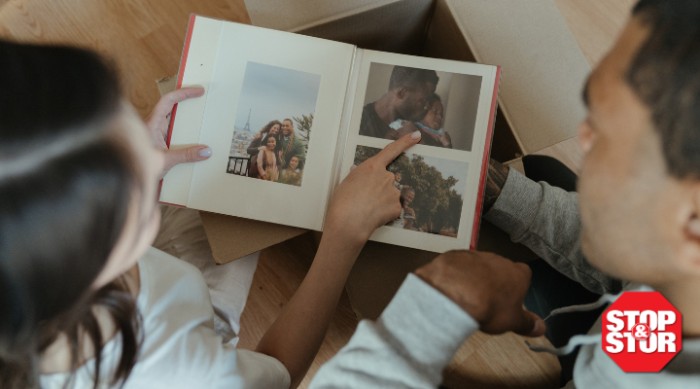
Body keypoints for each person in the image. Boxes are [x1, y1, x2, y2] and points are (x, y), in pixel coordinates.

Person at [310, 1, 700, 387]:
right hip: (610, 335)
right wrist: (492, 185)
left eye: (606, 135)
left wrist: (428, 318)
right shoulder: (670, 278)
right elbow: (629, 264)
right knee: (544, 174)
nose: (583, 137)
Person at [0, 39, 424, 388]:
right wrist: (341, 240)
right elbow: (277, 371)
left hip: (159, 284)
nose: (152, 158)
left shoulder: (35, 274)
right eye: (127, 172)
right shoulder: (183, 372)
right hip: (196, 328)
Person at [359, 65, 439, 139]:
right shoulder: (360, 126)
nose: (427, 107)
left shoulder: (414, 126)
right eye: (423, 100)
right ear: (402, 93)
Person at [389, 93, 453, 148]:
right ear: (423, 110)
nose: (439, 117)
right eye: (435, 112)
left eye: (441, 114)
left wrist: (447, 145)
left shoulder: (442, 137)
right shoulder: (407, 126)